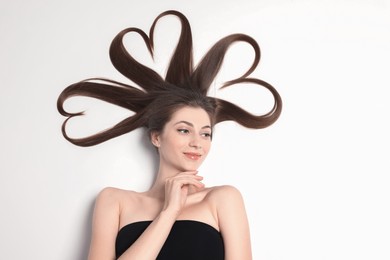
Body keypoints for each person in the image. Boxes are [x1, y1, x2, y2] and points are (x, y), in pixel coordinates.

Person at [57, 10, 282, 260]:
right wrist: (169, 212)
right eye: (184, 130)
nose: (197, 143)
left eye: (206, 134)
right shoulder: (114, 201)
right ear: (156, 137)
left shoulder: (223, 199)